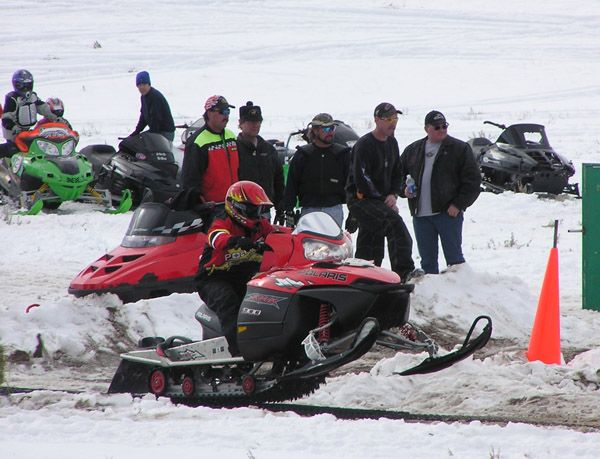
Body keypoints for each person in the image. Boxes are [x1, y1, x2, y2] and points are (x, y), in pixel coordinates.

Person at [195, 180, 276, 356]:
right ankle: (238, 352)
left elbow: (278, 234)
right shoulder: (222, 221)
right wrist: (234, 241)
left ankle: (267, 343)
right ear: (237, 207)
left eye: (259, 210)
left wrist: (301, 237)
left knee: (263, 301)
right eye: (253, 210)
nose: (257, 215)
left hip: (243, 277)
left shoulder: (260, 225)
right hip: (214, 278)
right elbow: (216, 236)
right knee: (229, 302)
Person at [400, 110, 481, 274]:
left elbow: (473, 182)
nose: (442, 129)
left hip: (448, 214)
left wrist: (458, 204)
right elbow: (397, 175)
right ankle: (433, 297)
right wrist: (403, 189)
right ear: (426, 129)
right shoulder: (413, 150)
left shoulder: (459, 149)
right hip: (421, 216)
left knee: (455, 261)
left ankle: (460, 295)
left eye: (444, 126)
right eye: (437, 127)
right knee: (428, 263)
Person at [346, 102, 416, 281]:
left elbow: (397, 172)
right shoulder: (364, 144)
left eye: (395, 118)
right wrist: (384, 199)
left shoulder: (392, 143)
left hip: (381, 199)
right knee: (395, 226)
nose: (393, 123)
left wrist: (394, 193)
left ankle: (366, 277)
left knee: (371, 240)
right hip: (362, 199)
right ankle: (404, 272)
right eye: (388, 119)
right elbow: (362, 179)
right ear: (377, 120)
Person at [282, 113, 351, 227]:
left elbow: (352, 185)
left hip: (334, 210)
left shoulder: (342, 155)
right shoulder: (303, 155)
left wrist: (353, 214)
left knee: (332, 245)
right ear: (315, 130)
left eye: (332, 128)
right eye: (326, 128)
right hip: (309, 211)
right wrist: (288, 210)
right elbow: (291, 185)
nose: (331, 132)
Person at [181, 95, 239, 204]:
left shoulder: (231, 136)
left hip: (234, 203)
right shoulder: (198, 141)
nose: (226, 115)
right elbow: (190, 177)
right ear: (209, 113)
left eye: (227, 111)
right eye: (222, 112)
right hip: (213, 206)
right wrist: (198, 200)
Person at [237, 101, 284, 222]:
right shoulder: (234, 149)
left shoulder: (268, 149)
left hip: (264, 210)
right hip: (240, 210)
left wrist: (280, 207)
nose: (255, 125)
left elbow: (278, 180)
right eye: (251, 122)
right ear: (241, 123)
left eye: (258, 121)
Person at [1, 69, 59, 158]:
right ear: (16, 85)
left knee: (40, 147)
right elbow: (6, 117)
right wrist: (13, 127)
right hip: (14, 135)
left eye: (28, 85)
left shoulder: (32, 96)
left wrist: (54, 117)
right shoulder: (12, 99)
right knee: (14, 151)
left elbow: (42, 107)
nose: (26, 89)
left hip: (28, 132)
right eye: (22, 86)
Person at [129, 71, 175, 142]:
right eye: (139, 85)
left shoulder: (155, 96)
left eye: (144, 84)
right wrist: (136, 132)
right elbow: (143, 117)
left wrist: (151, 136)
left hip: (165, 132)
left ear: (149, 84)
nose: (141, 87)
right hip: (156, 131)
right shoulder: (144, 97)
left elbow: (156, 118)